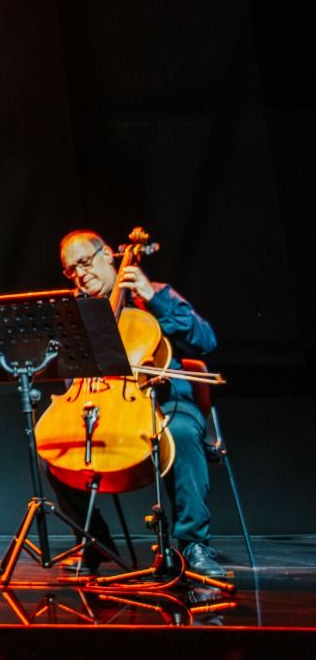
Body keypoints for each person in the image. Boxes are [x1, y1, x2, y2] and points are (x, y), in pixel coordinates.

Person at [51, 229, 224, 578]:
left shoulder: (154, 294)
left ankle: (193, 544)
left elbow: (205, 341)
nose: (80, 274)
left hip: (164, 403)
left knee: (182, 433)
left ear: (108, 255)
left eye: (85, 262)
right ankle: (93, 543)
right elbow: (70, 374)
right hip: (103, 410)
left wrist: (152, 298)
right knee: (53, 447)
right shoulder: (78, 313)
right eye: (71, 269)